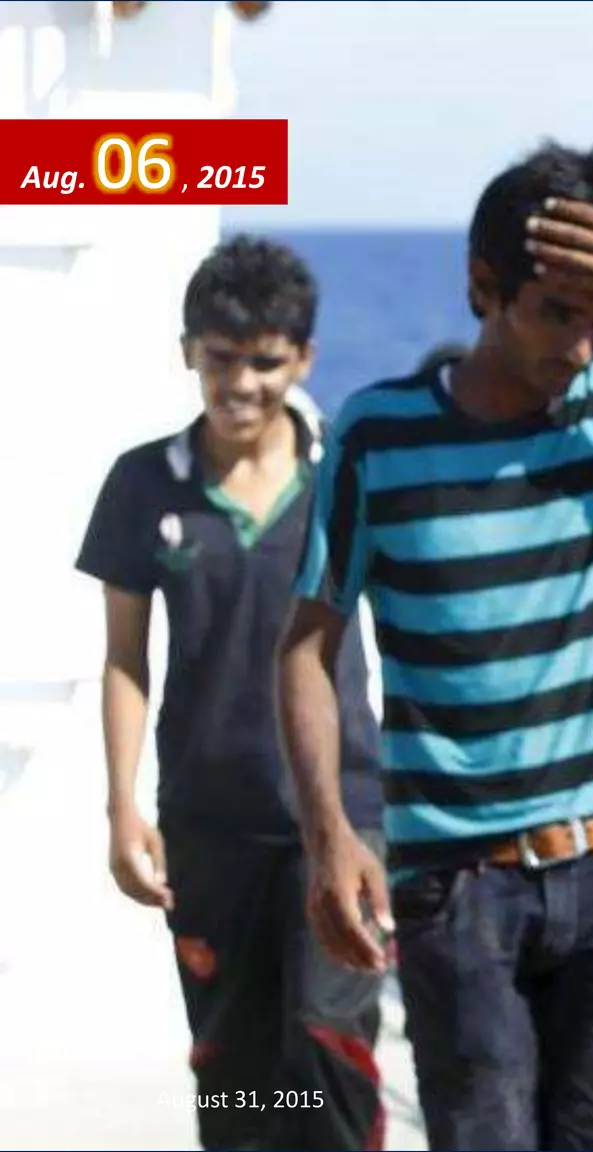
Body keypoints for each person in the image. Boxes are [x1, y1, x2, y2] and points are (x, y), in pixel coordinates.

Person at [275, 142, 593, 1150]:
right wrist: (330, 838)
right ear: (481, 287)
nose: (585, 346)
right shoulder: (376, 436)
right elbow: (305, 648)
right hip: (452, 888)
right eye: (559, 313)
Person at [78, 236, 387, 1149]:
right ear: (188, 351)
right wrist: (122, 810)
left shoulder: (348, 470)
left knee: (331, 1053)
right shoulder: (142, 483)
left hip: (343, 821)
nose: (241, 382)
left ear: (303, 361)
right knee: (238, 1079)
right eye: (220, 357)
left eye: (265, 360)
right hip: (208, 826)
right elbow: (127, 658)